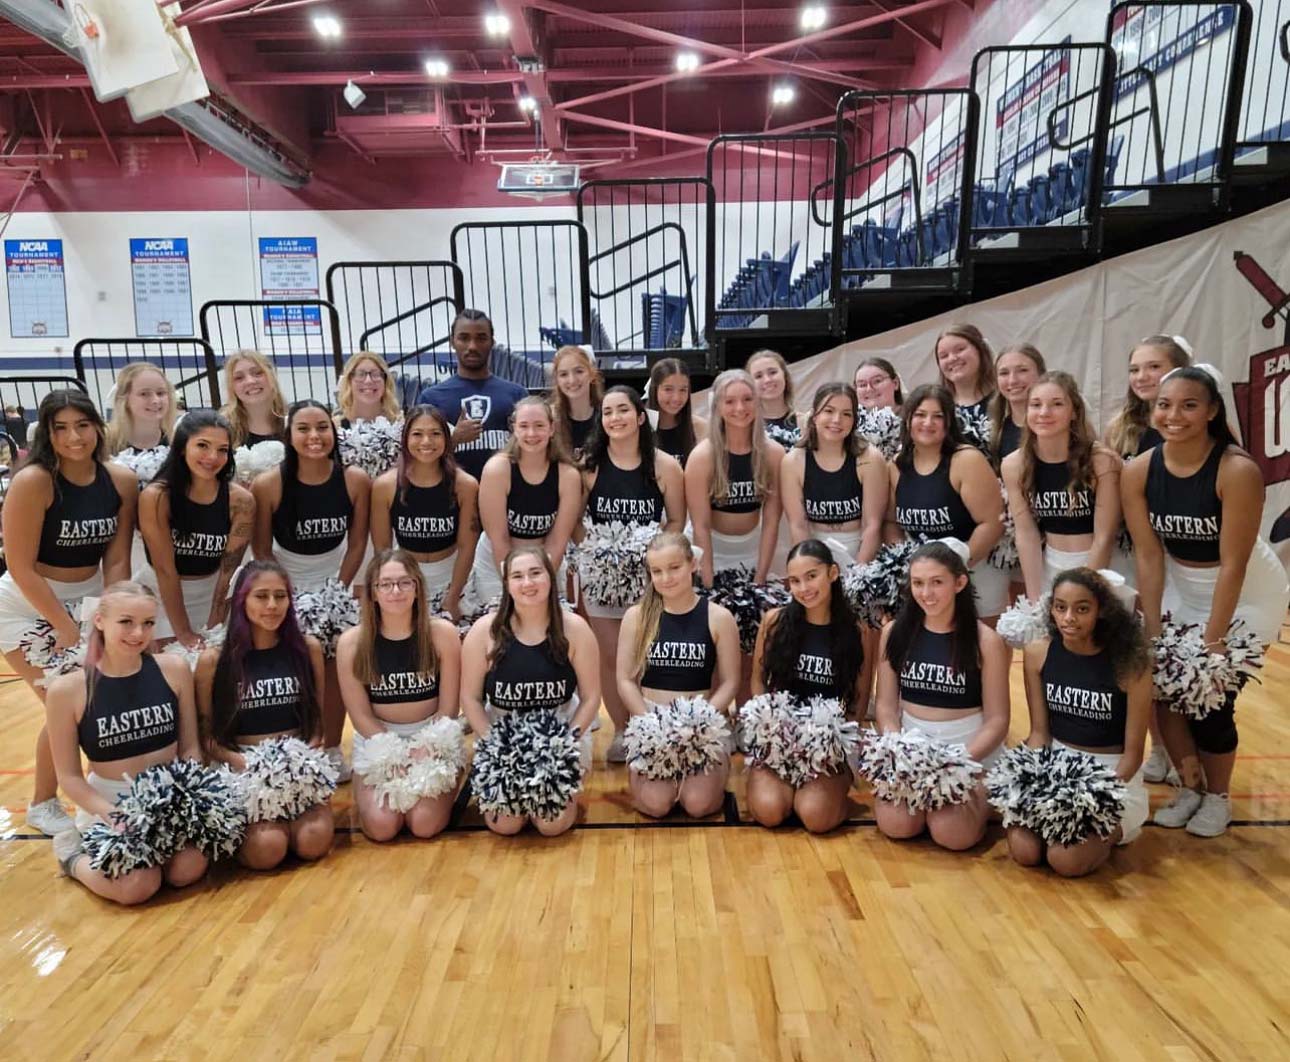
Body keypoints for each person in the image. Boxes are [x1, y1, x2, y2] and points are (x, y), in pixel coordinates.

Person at [1122, 365, 1290, 837]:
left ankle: (1218, 797)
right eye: (1164, 405)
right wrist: (1152, 628)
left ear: (1212, 411)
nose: (1174, 415)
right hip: (1180, 584)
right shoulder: (1138, 471)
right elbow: (1150, 555)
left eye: (1189, 405)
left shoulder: (1236, 470)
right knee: (1163, 691)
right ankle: (1191, 787)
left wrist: (1214, 642)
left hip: (1245, 595)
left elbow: (1233, 564)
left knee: (1212, 698)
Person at [0, 390, 137, 836]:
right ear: (47, 435)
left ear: (98, 425)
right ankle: (43, 803)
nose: (74, 437)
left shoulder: (120, 480)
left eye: (82, 425)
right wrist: (62, 624)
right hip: (25, 605)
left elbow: (116, 560)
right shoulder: (33, 481)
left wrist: (116, 612)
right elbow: (19, 566)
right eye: (60, 428)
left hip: (90, 601)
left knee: (87, 703)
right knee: (66, 704)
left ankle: (96, 792)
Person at [44, 582, 209, 904]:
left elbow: (190, 748)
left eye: (148, 623)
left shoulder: (174, 669)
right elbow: (69, 777)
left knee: (187, 870)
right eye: (126, 622)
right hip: (109, 805)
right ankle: (72, 858)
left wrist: (186, 797)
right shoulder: (68, 690)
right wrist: (113, 816)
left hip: (167, 797)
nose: (138, 633)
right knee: (136, 887)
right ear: (100, 621)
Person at [1007, 569, 1152, 876]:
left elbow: (1133, 755)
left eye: (1082, 608)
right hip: (1056, 771)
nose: (1068, 617)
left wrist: (1094, 796)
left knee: (1066, 860)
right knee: (1025, 851)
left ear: (1102, 611)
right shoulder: (1038, 653)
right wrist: (1022, 779)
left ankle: (1122, 828)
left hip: (1111, 777)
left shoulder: (1130, 665)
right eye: (1060, 607)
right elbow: (1039, 734)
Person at [251, 400, 371, 771]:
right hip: (287, 580)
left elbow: (357, 544)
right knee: (294, 665)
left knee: (337, 665)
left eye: (322, 427)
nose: (314, 436)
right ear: (288, 435)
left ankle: (333, 745)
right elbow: (260, 547)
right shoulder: (269, 483)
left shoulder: (354, 479)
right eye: (303, 428)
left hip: (337, 578)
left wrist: (337, 590)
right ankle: (299, 745)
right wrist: (285, 593)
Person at [874, 540, 1010, 849]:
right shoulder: (894, 632)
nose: (926, 593)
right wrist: (900, 748)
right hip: (914, 750)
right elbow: (884, 706)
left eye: (937, 582)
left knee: (953, 834)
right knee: (897, 824)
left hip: (967, 752)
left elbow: (998, 721)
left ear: (959, 582)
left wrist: (959, 761)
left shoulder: (985, 640)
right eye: (918, 583)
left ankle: (982, 802)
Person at [196, 561, 332, 868]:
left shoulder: (307, 649)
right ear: (242, 599)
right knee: (267, 849)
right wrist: (245, 764)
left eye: (280, 596)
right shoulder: (214, 660)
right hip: (244, 768)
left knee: (314, 840)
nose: (272, 605)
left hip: (297, 764)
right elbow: (206, 736)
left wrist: (303, 760)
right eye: (261, 596)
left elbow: (318, 722)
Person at [460, 545, 601, 836]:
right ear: (507, 584)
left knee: (552, 825)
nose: (528, 583)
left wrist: (563, 742)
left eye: (536, 573)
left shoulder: (574, 628)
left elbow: (590, 699)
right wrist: (496, 745)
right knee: (507, 826)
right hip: (502, 737)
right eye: (518, 576)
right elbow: (471, 700)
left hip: (561, 734)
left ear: (550, 578)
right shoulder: (484, 631)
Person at [580, 386, 686, 760]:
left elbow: (676, 519)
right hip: (602, 579)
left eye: (623, 410)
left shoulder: (664, 466)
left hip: (649, 577)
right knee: (611, 659)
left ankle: (646, 725)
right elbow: (576, 521)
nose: (615, 418)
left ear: (641, 417)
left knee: (645, 656)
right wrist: (597, 551)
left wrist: (650, 550)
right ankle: (622, 731)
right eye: (607, 413)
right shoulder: (590, 467)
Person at [336, 550, 464, 841]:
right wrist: (392, 753)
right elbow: (360, 717)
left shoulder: (443, 634)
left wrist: (425, 748)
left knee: (423, 824)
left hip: (433, 737)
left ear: (417, 588)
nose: (396, 591)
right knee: (383, 827)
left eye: (405, 583)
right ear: (373, 593)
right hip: (377, 741)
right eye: (386, 584)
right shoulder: (352, 643)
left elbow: (448, 709)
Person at [748, 539, 871, 832]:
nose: (803, 588)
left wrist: (835, 747)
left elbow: (859, 700)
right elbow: (757, 682)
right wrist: (771, 727)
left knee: (815, 816)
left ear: (832, 573)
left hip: (826, 744)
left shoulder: (857, 630)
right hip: (780, 738)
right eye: (795, 580)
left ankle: (829, 793)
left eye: (811, 576)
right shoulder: (774, 621)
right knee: (770, 811)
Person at [617, 532, 740, 818]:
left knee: (697, 804)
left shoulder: (718, 617)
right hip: (652, 720)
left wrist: (700, 721)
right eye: (656, 571)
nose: (666, 578)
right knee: (657, 805)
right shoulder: (636, 616)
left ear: (693, 564)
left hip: (701, 722)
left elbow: (731, 681)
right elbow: (624, 679)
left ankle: (712, 776)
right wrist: (648, 724)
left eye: (674, 567)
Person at [889, 384, 1007, 620]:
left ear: (949, 422)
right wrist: (911, 565)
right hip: (924, 582)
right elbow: (889, 522)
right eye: (920, 415)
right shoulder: (896, 464)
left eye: (938, 416)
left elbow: (993, 523)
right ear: (908, 419)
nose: (927, 422)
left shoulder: (967, 459)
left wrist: (953, 571)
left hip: (975, 571)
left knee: (981, 650)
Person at [138, 410, 255, 646]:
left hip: (212, 593)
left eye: (222, 449)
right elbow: (165, 570)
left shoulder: (241, 501)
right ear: (182, 447)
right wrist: (183, 633)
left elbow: (228, 571)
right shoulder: (157, 497)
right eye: (202, 445)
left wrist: (216, 621)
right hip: (160, 595)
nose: (212, 456)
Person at [1003, 372, 1123, 598]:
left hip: (1101, 565)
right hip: (1050, 564)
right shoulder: (1013, 464)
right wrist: (1034, 598)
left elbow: (1104, 536)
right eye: (1036, 405)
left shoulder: (1101, 460)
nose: (1044, 413)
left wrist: (1086, 590)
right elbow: (1026, 534)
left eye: (1056, 404)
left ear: (1074, 411)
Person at [369, 406, 478, 620]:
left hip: (453, 575)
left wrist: (453, 596)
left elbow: (467, 546)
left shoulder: (465, 485)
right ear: (405, 439)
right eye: (417, 434)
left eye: (435, 433)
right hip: (405, 577)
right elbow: (382, 550)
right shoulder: (385, 486)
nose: (426, 442)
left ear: (447, 439)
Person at [474, 396, 582, 603]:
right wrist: (514, 583)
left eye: (539, 425)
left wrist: (539, 580)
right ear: (514, 428)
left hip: (546, 559)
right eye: (524, 426)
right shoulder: (497, 469)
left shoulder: (568, 475)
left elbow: (558, 540)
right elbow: (499, 538)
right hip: (497, 560)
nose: (531, 433)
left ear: (551, 429)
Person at [685, 369, 783, 587]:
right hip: (710, 550)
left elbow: (771, 521)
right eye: (730, 401)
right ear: (717, 407)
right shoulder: (702, 457)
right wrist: (708, 582)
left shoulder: (773, 454)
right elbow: (700, 526)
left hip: (756, 551)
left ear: (757, 403)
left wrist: (760, 578)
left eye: (748, 399)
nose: (740, 408)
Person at [780, 383, 886, 568]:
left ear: (854, 420)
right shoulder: (793, 461)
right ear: (814, 415)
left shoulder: (870, 459)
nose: (837, 420)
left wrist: (859, 575)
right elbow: (798, 526)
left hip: (860, 550)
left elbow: (872, 525)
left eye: (846, 414)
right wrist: (811, 570)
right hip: (813, 551)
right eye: (829, 411)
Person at [415, 309, 528, 480]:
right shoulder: (432, 398)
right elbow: (419, 458)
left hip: (507, 495)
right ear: (452, 342)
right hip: (453, 496)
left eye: (481, 338)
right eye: (464, 338)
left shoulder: (516, 394)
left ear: (492, 342)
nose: (472, 346)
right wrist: (454, 440)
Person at [1104, 335, 1192, 459]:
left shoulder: (1204, 424)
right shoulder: (1118, 430)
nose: (1141, 377)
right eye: (1134, 370)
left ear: (1179, 370)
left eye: (1154, 367)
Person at [988, 343, 1046, 465]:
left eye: (1022, 370)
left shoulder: (1056, 425)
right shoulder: (997, 432)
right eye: (1004, 373)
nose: (1013, 380)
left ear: (1040, 374)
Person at [105, 362, 178, 457]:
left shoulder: (179, 443)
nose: (155, 400)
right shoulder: (104, 444)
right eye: (144, 394)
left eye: (160, 393)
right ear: (125, 399)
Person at [220, 350, 287, 447]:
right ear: (232, 387)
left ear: (272, 377)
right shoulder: (222, 428)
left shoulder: (294, 422)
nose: (250, 381)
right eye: (239, 378)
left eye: (258, 373)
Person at [646, 357, 705, 466]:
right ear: (655, 389)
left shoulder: (700, 428)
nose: (676, 398)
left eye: (683, 390)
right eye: (668, 389)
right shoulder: (639, 427)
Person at [550, 344, 603, 458]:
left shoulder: (608, 415)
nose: (572, 380)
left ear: (592, 374)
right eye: (564, 374)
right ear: (557, 380)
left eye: (579, 371)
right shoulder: (549, 418)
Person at [935, 323, 996, 421]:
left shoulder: (1005, 399)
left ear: (980, 350)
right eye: (944, 356)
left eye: (960, 349)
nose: (952, 359)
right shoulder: (940, 410)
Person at [747, 349, 799, 448]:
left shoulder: (806, 423)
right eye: (758, 376)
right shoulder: (745, 426)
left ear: (785, 375)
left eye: (772, 372)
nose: (767, 380)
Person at [336, 350, 401, 428]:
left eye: (375, 374)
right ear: (349, 381)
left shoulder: (401, 425)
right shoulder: (335, 427)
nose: (368, 381)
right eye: (360, 374)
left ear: (386, 381)